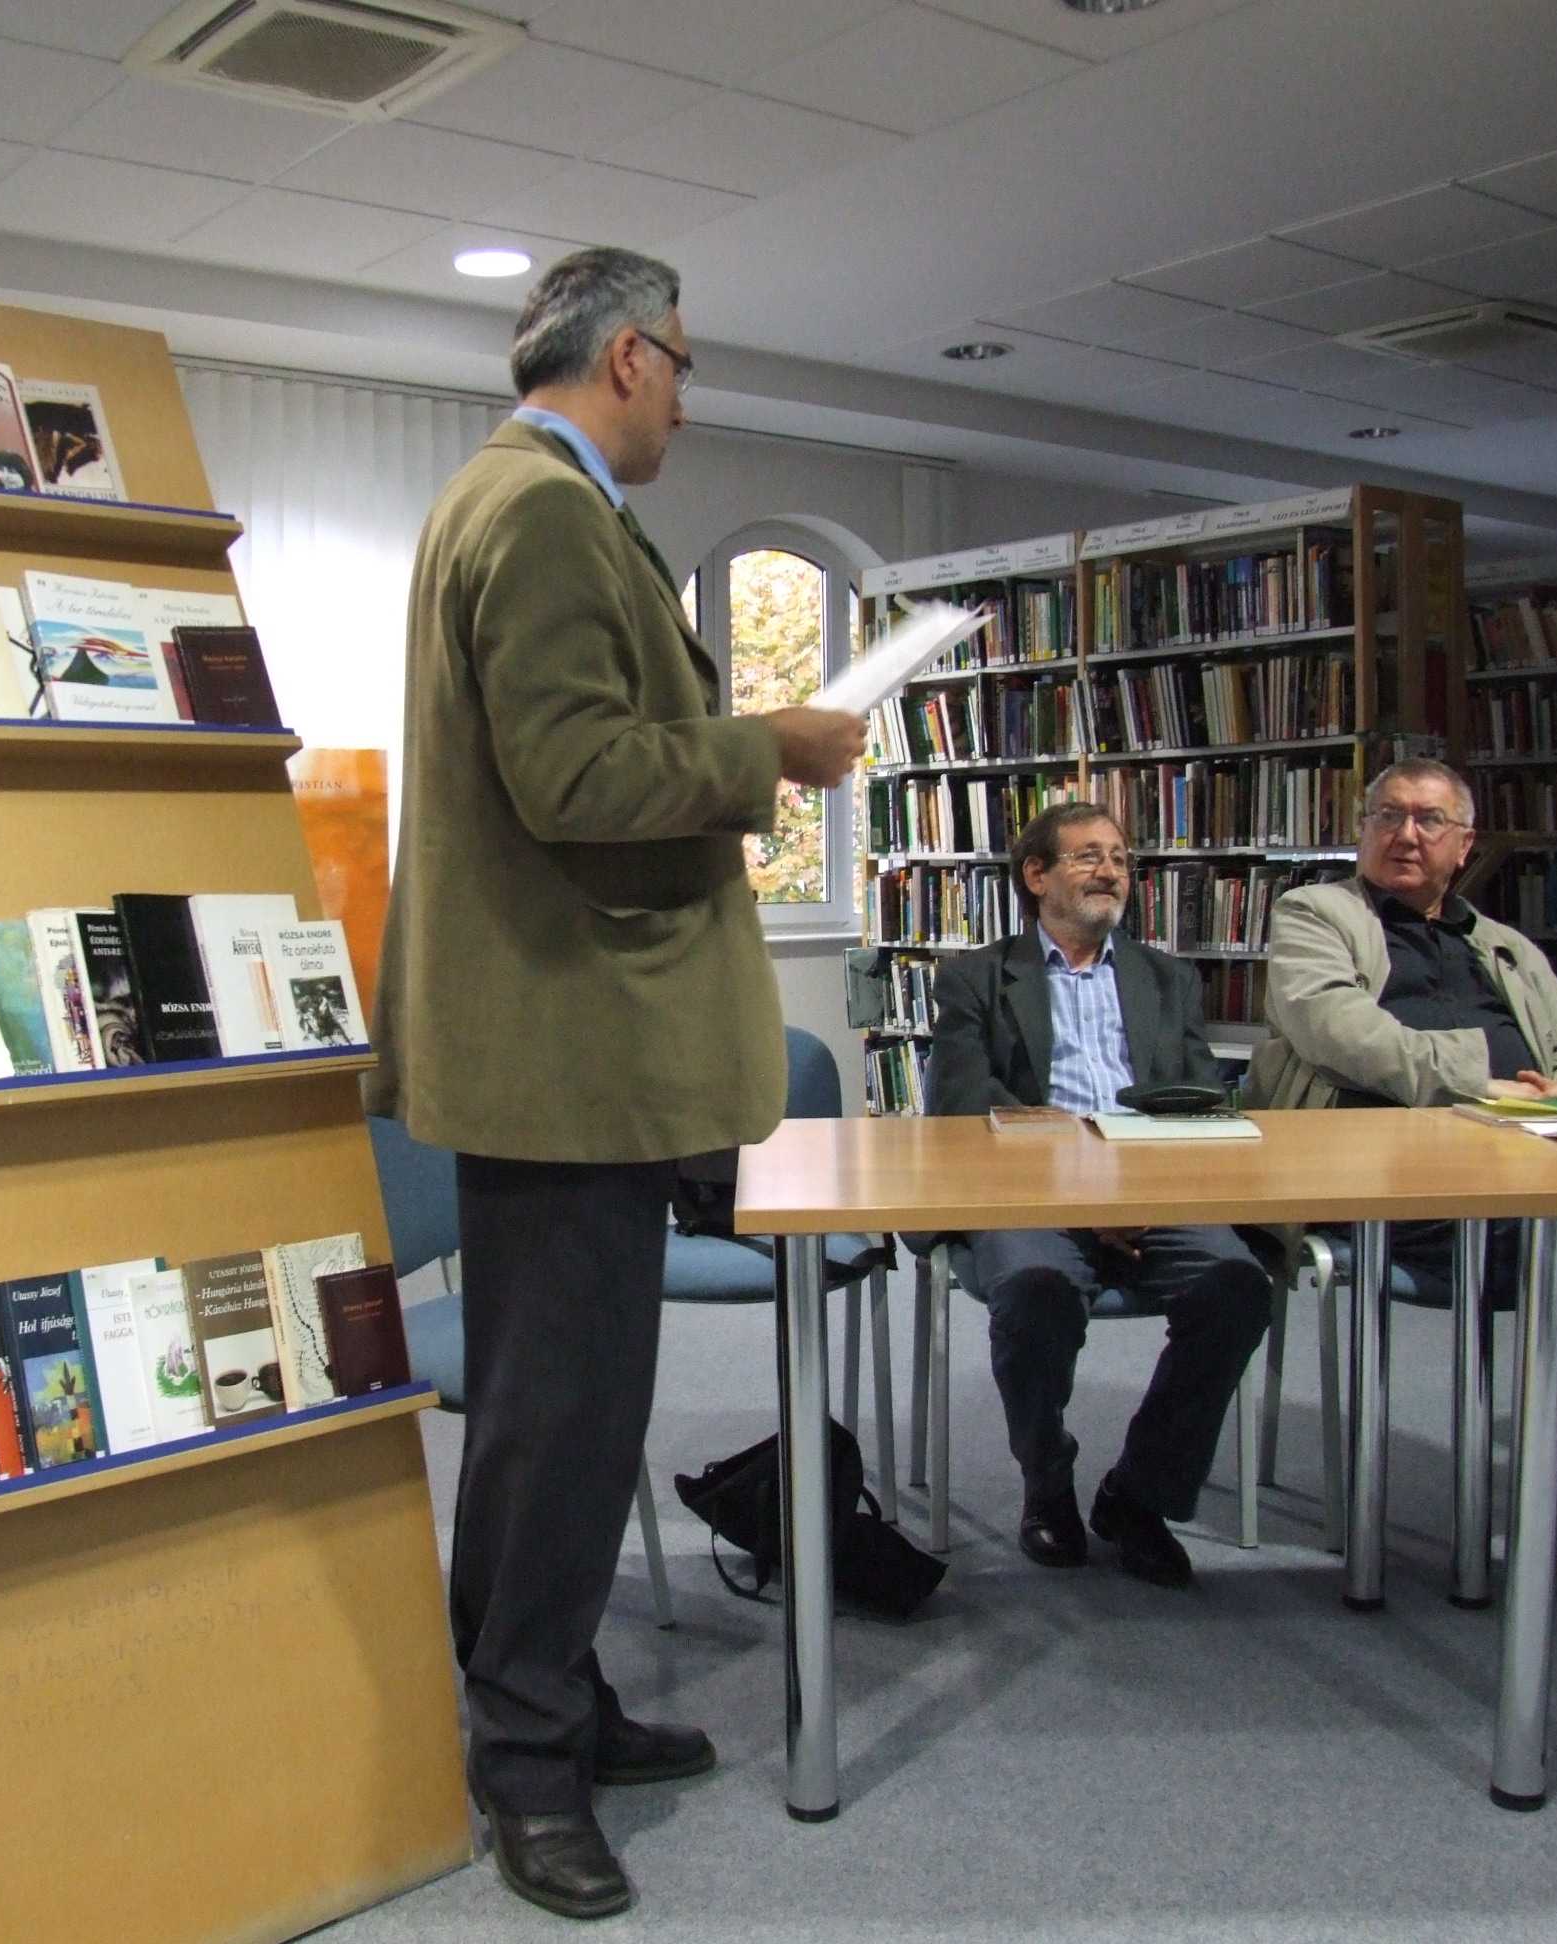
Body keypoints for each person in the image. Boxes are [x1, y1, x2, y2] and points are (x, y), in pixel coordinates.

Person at [366, 246, 864, 1923]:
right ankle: (523, 1759)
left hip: (556, 1049)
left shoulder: (507, 497)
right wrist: (771, 749)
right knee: (562, 1424)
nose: (688, 402)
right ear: (633, 356)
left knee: (549, 1418)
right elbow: (574, 773)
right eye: (687, 365)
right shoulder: (544, 512)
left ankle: (549, 1696)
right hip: (566, 1054)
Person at [1250, 757, 1557, 1614]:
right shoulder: (1316, 914)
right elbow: (1339, 1034)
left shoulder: (1506, 947)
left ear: (1465, 844)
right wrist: (1488, 1079)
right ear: (1362, 830)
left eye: (1429, 820)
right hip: (1369, 1172)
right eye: (1387, 815)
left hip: (1517, 1162)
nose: (1405, 834)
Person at [924, 802, 1274, 1588]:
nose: (1110, 871)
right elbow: (961, 1106)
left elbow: (1198, 1101)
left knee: (1238, 1287)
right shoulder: (976, 977)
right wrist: (1084, 1190)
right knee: (1034, 1292)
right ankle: (1048, 1482)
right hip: (1030, 1194)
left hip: (1151, 1192)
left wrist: (1142, 1190)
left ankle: (1139, 1496)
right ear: (1035, 874)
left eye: (1119, 857)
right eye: (1088, 856)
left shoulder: (1167, 978)